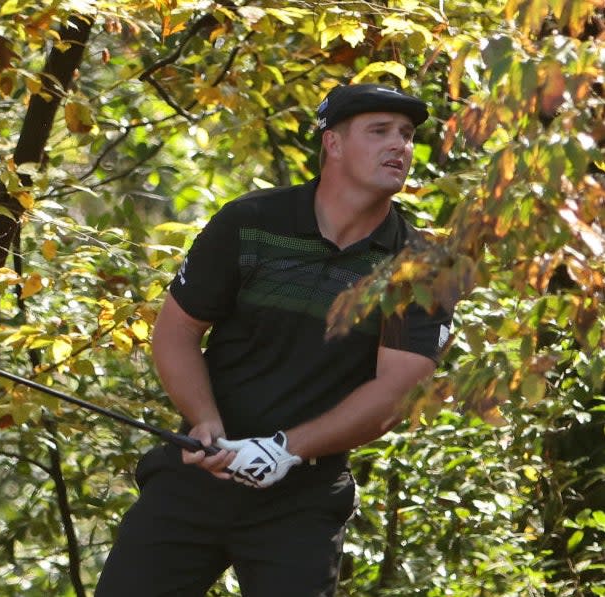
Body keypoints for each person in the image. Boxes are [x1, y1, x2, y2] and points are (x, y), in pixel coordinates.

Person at [95, 83, 453, 596]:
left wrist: (285, 450)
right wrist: (205, 420)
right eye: (380, 132)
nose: (399, 145)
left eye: (406, 135)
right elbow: (176, 331)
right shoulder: (250, 223)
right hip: (196, 478)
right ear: (332, 144)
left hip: (302, 501)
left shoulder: (420, 266)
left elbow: (396, 392)